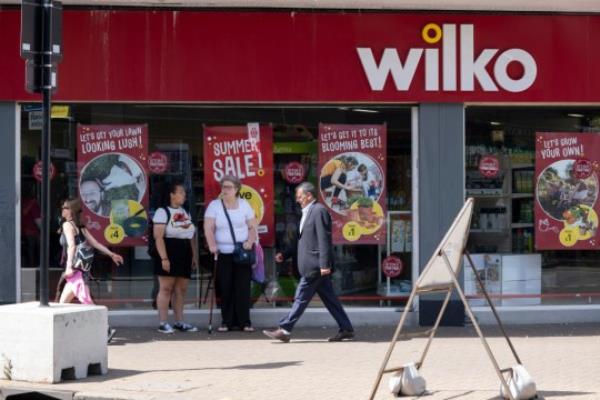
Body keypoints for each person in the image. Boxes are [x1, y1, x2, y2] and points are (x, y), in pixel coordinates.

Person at [263, 182, 354, 342]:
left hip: (315, 265)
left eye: (299, 196)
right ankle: (346, 328)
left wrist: (324, 264)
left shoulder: (319, 211)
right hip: (313, 265)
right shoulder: (306, 212)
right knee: (330, 299)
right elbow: (301, 240)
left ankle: (285, 329)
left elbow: (324, 239)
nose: (297, 200)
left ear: (309, 195)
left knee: (301, 297)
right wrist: (285, 254)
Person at [58, 198, 124, 342]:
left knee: (84, 302)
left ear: (71, 211)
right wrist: (111, 254)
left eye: (65, 207)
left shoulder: (68, 225)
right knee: (63, 304)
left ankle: (105, 329)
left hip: (75, 271)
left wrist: (69, 267)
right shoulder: (80, 226)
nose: (62, 209)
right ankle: (64, 335)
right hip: (82, 270)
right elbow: (95, 243)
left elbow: (71, 246)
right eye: (63, 207)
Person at [204, 175, 258, 332]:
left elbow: (253, 226)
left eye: (228, 187)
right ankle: (226, 321)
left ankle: (245, 322)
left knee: (242, 288)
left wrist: (250, 242)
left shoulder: (244, 205)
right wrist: (212, 245)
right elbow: (208, 227)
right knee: (225, 287)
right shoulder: (214, 205)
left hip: (242, 252)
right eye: (223, 187)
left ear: (236, 189)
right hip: (223, 253)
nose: (225, 190)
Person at [153, 182, 199, 334]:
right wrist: (164, 258)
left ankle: (180, 321)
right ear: (172, 195)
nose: (184, 195)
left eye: (184, 193)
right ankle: (163, 322)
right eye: (180, 192)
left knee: (181, 289)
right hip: (169, 250)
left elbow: (191, 235)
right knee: (166, 288)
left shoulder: (185, 212)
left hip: (184, 251)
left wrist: (193, 255)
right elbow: (158, 237)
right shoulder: (162, 211)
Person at [21, 183, 41, 269]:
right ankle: (34, 266)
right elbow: (38, 220)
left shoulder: (21, 203)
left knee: (29, 249)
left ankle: (29, 265)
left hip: (23, 230)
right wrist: (44, 231)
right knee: (38, 248)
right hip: (33, 231)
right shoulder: (33, 204)